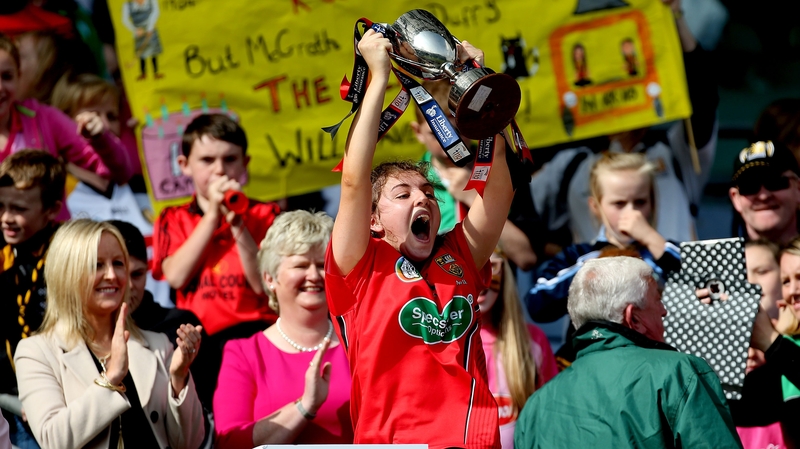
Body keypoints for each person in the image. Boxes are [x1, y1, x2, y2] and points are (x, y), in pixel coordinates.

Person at [326, 29, 511, 447]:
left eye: (428, 193)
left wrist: (476, 82)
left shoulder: (459, 255)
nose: (423, 200)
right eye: (403, 194)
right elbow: (354, 182)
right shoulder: (357, 266)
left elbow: (499, 184)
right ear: (373, 220)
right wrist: (378, 77)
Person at [529, 0, 718, 246]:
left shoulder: (674, 154)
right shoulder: (570, 166)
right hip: (600, 282)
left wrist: (677, 18)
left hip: (676, 281)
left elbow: (703, 99)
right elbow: (518, 213)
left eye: (642, 201)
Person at [14, 219, 205, 449]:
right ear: (66, 273)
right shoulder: (36, 352)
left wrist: (178, 378)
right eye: (96, 265)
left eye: (118, 263)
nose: (112, 275)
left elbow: (191, 443)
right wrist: (110, 378)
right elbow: (55, 440)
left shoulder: (158, 344)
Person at [515, 256, 743, 448]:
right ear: (633, 317)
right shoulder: (679, 373)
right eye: (658, 300)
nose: (664, 311)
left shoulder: (534, 407)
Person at [152, 113, 281, 404]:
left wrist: (237, 224)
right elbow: (176, 276)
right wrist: (212, 215)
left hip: (257, 334)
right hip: (201, 341)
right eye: (207, 160)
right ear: (184, 165)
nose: (220, 170)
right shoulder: (173, 218)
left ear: (245, 163)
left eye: (230, 159)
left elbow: (264, 286)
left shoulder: (265, 214)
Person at [214, 210, 352, 447]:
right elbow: (230, 441)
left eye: (321, 265)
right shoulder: (244, 353)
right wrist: (304, 407)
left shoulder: (357, 344)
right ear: (270, 278)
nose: (313, 275)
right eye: (300, 265)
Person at [525, 152, 680, 331]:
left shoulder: (662, 252)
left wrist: (652, 239)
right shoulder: (579, 256)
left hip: (657, 353)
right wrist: (591, 268)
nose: (632, 213)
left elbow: (704, 279)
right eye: (619, 204)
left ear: (652, 203)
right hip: (595, 354)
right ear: (596, 206)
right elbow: (536, 304)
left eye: (640, 202)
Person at [0, 33, 132, 220]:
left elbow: (120, 172)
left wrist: (100, 138)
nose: (0, 87)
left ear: (19, 76)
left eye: (7, 76)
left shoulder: (43, 118)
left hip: (52, 244)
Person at [410, 79, 536, 270]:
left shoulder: (499, 172)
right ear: (417, 131)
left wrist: (473, 198)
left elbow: (526, 257)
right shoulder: (410, 185)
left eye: (458, 130)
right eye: (437, 133)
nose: (449, 143)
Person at [0, 150, 64, 449]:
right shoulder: (3, 251)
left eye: (19, 208)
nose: (6, 218)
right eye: (0, 206)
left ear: (52, 210)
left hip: (55, 395)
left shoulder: (67, 253)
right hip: (8, 399)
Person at [479, 248, 558, 449]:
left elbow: (551, 414)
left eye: (490, 267)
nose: (480, 279)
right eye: (469, 266)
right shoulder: (442, 345)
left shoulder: (532, 341)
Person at [729, 141, 800, 245]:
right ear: (735, 199)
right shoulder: (717, 260)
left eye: (775, 182)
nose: (763, 196)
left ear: (798, 189)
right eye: (749, 186)